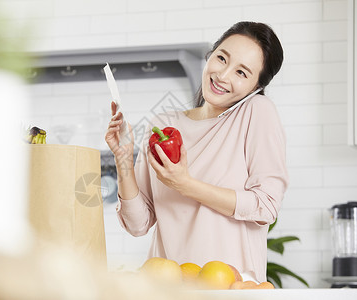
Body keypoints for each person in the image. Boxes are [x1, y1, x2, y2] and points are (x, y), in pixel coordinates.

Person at [104, 21, 288, 283]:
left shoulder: (256, 112)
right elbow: (138, 224)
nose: (223, 75)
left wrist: (186, 184)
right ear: (210, 55)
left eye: (242, 73)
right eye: (222, 58)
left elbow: (266, 206)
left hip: (229, 288)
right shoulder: (165, 124)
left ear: (256, 87)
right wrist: (123, 160)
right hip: (168, 289)